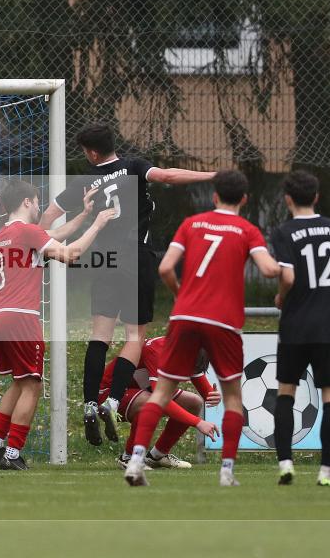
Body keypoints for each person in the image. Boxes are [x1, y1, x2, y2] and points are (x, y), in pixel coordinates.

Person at [39, 123, 214, 446]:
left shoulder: (85, 181)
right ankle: (114, 400)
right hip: (137, 257)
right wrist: (211, 176)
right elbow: (167, 177)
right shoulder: (133, 167)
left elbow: (50, 213)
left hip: (104, 261)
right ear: (109, 145)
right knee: (135, 336)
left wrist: (41, 240)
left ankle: (90, 402)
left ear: (91, 153)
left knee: (100, 335)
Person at [124, 170, 280, 487]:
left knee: (162, 393)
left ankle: (136, 462)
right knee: (233, 397)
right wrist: (287, 273)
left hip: (184, 316)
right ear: (245, 200)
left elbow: (166, 267)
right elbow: (267, 269)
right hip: (222, 319)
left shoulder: (192, 224)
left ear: (214, 196)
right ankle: (227, 472)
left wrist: (181, 292)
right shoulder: (247, 229)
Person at [0, 179, 115, 469]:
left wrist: (82, 215)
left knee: (19, 382)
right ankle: (13, 454)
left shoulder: (6, 232)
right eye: (37, 201)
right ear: (28, 202)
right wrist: (98, 224)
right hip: (21, 316)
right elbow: (70, 253)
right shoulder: (28, 231)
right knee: (32, 386)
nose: (39, 206)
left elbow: (53, 235)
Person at [270, 170, 330, 487]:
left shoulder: (283, 232)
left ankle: (285, 464)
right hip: (329, 327)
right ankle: (327, 472)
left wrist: (281, 296)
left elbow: (289, 277)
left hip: (294, 326)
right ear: (317, 197)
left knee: (286, 393)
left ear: (288, 199)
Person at [98, 336, 220, 470]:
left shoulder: (188, 349)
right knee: (150, 402)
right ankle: (129, 457)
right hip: (109, 395)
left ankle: (157, 456)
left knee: (193, 403)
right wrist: (198, 422)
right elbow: (160, 399)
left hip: (142, 390)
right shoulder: (159, 351)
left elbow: (206, 392)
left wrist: (213, 397)